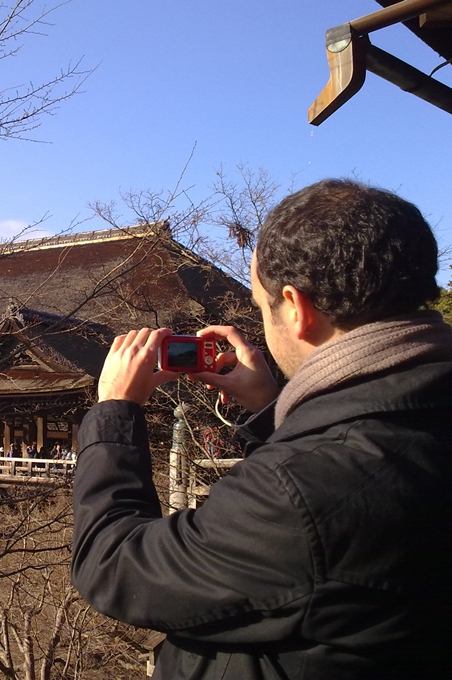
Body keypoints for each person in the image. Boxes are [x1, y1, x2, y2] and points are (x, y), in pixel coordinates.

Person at [70, 179, 452, 679]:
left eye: (261, 305)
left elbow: (117, 564)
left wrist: (116, 410)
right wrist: (274, 407)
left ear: (296, 308)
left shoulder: (301, 489)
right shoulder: (417, 415)